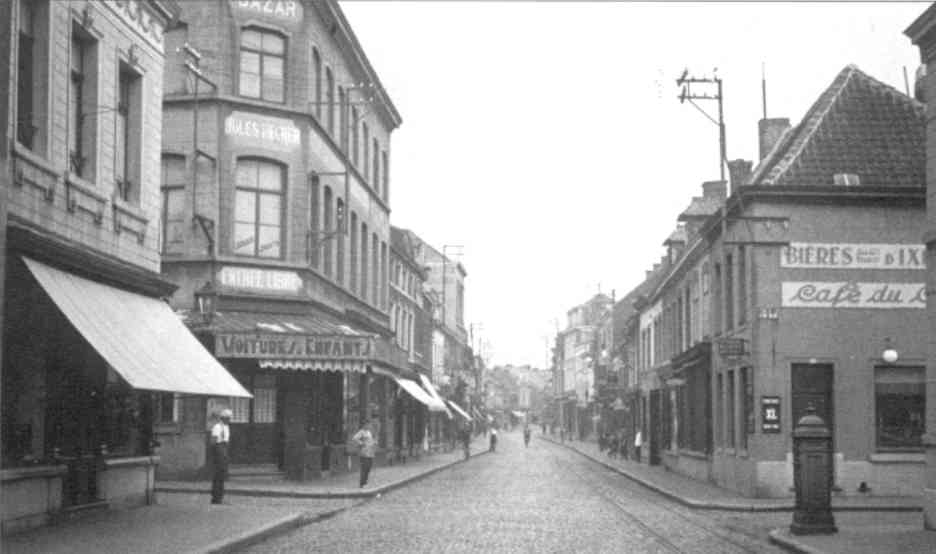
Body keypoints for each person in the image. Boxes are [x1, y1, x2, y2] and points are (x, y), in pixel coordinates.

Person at [210, 409, 232, 505]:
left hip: (224, 448)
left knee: (222, 474)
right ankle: (215, 497)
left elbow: (226, 440)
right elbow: (213, 441)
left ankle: (220, 496)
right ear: (223, 418)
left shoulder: (227, 427)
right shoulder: (217, 427)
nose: (229, 420)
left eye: (229, 418)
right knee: (218, 474)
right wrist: (217, 453)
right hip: (218, 449)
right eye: (227, 418)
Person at [352, 420, 377, 488]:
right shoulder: (361, 432)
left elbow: (370, 441)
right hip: (364, 453)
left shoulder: (369, 432)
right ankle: (362, 484)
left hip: (370, 453)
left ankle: (365, 483)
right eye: (367, 425)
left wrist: (374, 443)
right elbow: (355, 438)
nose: (369, 426)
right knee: (364, 468)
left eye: (369, 425)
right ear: (364, 425)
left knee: (368, 468)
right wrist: (361, 443)